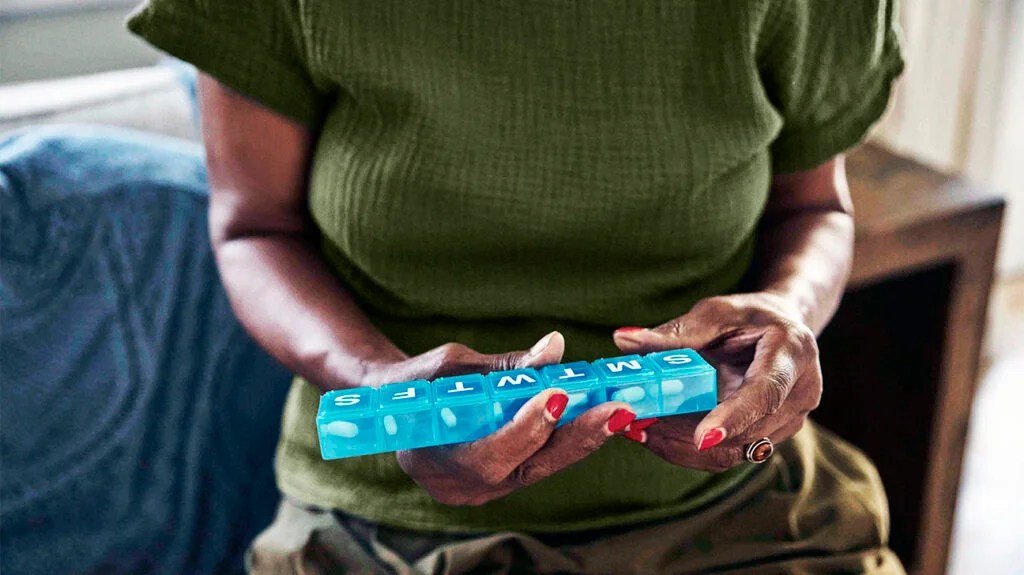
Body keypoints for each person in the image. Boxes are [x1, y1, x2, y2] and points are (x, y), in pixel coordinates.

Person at [128, 2, 905, 573]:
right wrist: (375, 384)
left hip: (734, 519)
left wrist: (787, 311)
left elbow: (816, 207)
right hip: (377, 531)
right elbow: (253, 229)